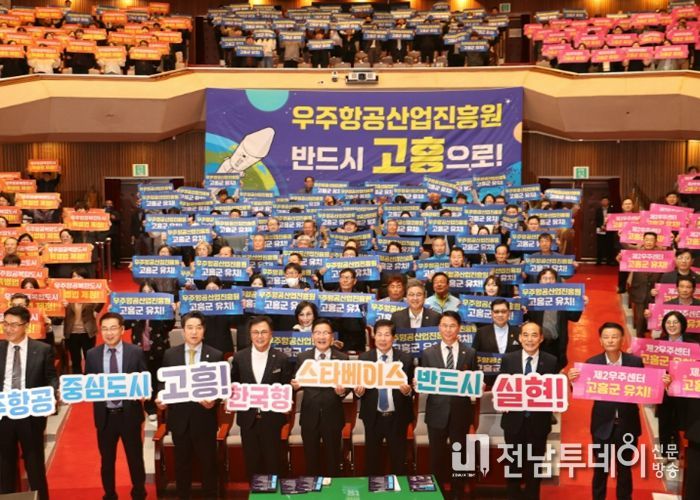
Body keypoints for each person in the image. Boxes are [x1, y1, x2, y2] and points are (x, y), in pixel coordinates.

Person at [568, 322, 649, 500]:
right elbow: (581, 390)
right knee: (601, 468)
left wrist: (661, 383)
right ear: (600, 341)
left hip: (627, 424)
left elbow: (646, 389)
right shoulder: (592, 363)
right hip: (602, 425)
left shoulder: (634, 362)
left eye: (614, 336)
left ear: (622, 339)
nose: (610, 340)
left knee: (625, 468)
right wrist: (573, 381)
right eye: (606, 337)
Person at [157, 311, 222, 499]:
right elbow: (163, 384)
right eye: (190, 328)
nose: (194, 332)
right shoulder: (170, 355)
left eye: (198, 328)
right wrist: (161, 398)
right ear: (183, 331)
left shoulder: (215, 355)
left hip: (205, 419)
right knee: (182, 465)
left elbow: (222, 388)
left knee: (209, 465)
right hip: (180, 420)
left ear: (204, 330)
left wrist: (215, 400)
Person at [84, 312, 147, 500]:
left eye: (113, 328)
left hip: (129, 415)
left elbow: (144, 378)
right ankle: (109, 495)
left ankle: (139, 493)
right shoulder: (92, 354)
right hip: (105, 416)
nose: (109, 333)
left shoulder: (135, 352)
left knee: (135, 459)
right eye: (104, 329)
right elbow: (88, 384)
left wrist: (144, 392)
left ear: (122, 329)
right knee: (107, 461)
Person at [0, 306, 58, 500]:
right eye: (5, 324)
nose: (8, 329)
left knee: (35, 467)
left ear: (26, 325)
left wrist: (52, 394)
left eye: (14, 325)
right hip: (4, 415)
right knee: (4, 467)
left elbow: (51, 378)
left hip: (30, 415)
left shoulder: (42, 349)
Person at [420, 311, 478, 497]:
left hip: (460, 413)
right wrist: (418, 383)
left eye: (452, 326)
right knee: (436, 456)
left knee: (459, 455)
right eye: (444, 325)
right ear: (439, 328)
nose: (448, 329)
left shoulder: (470, 352)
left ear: (459, 328)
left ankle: (457, 493)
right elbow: (424, 382)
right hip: (436, 412)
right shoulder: (428, 353)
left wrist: (478, 385)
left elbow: (474, 382)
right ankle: (436, 493)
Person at [499, 322, 558, 500]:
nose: (529, 339)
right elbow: (502, 386)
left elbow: (554, 392)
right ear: (519, 338)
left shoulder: (551, 361)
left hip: (538, 423)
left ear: (541, 338)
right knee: (513, 467)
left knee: (534, 468)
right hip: (513, 423)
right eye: (525, 335)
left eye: (534, 335)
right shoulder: (509, 359)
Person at [231, 315, 293, 478]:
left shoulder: (282, 359)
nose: (260, 336)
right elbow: (233, 384)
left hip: (272, 421)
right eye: (255, 332)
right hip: (248, 420)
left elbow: (287, 388)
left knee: (273, 465)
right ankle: (255, 491)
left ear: (271, 334)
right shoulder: (239, 358)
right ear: (250, 334)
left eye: (264, 332)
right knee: (252, 465)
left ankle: (273, 492)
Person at [290, 318, 349, 476]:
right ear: (312, 336)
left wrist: (343, 391)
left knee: (333, 461)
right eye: (317, 333)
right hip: (309, 416)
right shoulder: (303, 358)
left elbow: (349, 384)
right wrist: (294, 386)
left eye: (325, 333)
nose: (321, 336)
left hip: (333, 416)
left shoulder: (342, 358)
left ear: (332, 337)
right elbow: (295, 380)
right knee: (311, 460)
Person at [355, 319, 414, 475]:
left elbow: (413, 388)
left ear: (393, 337)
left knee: (398, 460)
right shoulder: (364, 358)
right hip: (373, 416)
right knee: (372, 461)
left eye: (387, 335)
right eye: (379, 334)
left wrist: (407, 391)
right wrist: (358, 392)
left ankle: (398, 489)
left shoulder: (405, 359)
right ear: (374, 336)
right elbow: (357, 388)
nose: (382, 339)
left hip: (397, 417)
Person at [125, 281, 173, 417]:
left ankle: (162, 406)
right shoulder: (135, 308)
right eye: (144, 292)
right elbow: (126, 325)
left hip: (159, 349)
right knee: (145, 379)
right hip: (140, 351)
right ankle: (150, 408)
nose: (147, 294)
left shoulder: (162, 307)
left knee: (159, 378)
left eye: (150, 291)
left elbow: (169, 326)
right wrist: (117, 311)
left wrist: (171, 310)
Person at [525, 268, 583, 371]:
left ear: (556, 281)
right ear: (539, 281)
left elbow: (574, 317)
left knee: (555, 371)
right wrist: (519, 307)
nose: (548, 281)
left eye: (551, 278)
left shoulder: (563, 299)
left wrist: (580, 304)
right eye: (545, 278)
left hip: (556, 343)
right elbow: (524, 318)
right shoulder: (531, 298)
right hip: (536, 343)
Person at [656, 311, 689, 461]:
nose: (672, 325)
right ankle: (665, 453)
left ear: (682, 324)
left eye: (675, 322)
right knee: (664, 420)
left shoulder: (693, 345)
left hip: (684, 390)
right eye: (668, 322)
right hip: (663, 388)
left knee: (680, 421)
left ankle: (676, 453)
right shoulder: (657, 344)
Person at [64, 266, 104, 373]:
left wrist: (96, 311)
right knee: (75, 361)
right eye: (74, 276)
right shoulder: (65, 293)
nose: (76, 279)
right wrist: (62, 306)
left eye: (79, 276)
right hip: (71, 333)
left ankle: (89, 379)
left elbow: (102, 299)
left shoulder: (91, 292)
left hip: (88, 332)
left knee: (90, 360)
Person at [595, 196, 615, 265]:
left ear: (608, 202)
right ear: (601, 202)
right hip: (600, 229)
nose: (604, 202)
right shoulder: (598, 210)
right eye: (603, 201)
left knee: (609, 245)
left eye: (606, 200)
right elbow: (596, 220)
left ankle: (609, 261)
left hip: (609, 230)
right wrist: (601, 226)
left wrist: (608, 226)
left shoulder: (612, 210)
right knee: (600, 245)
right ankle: (599, 261)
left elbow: (614, 220)